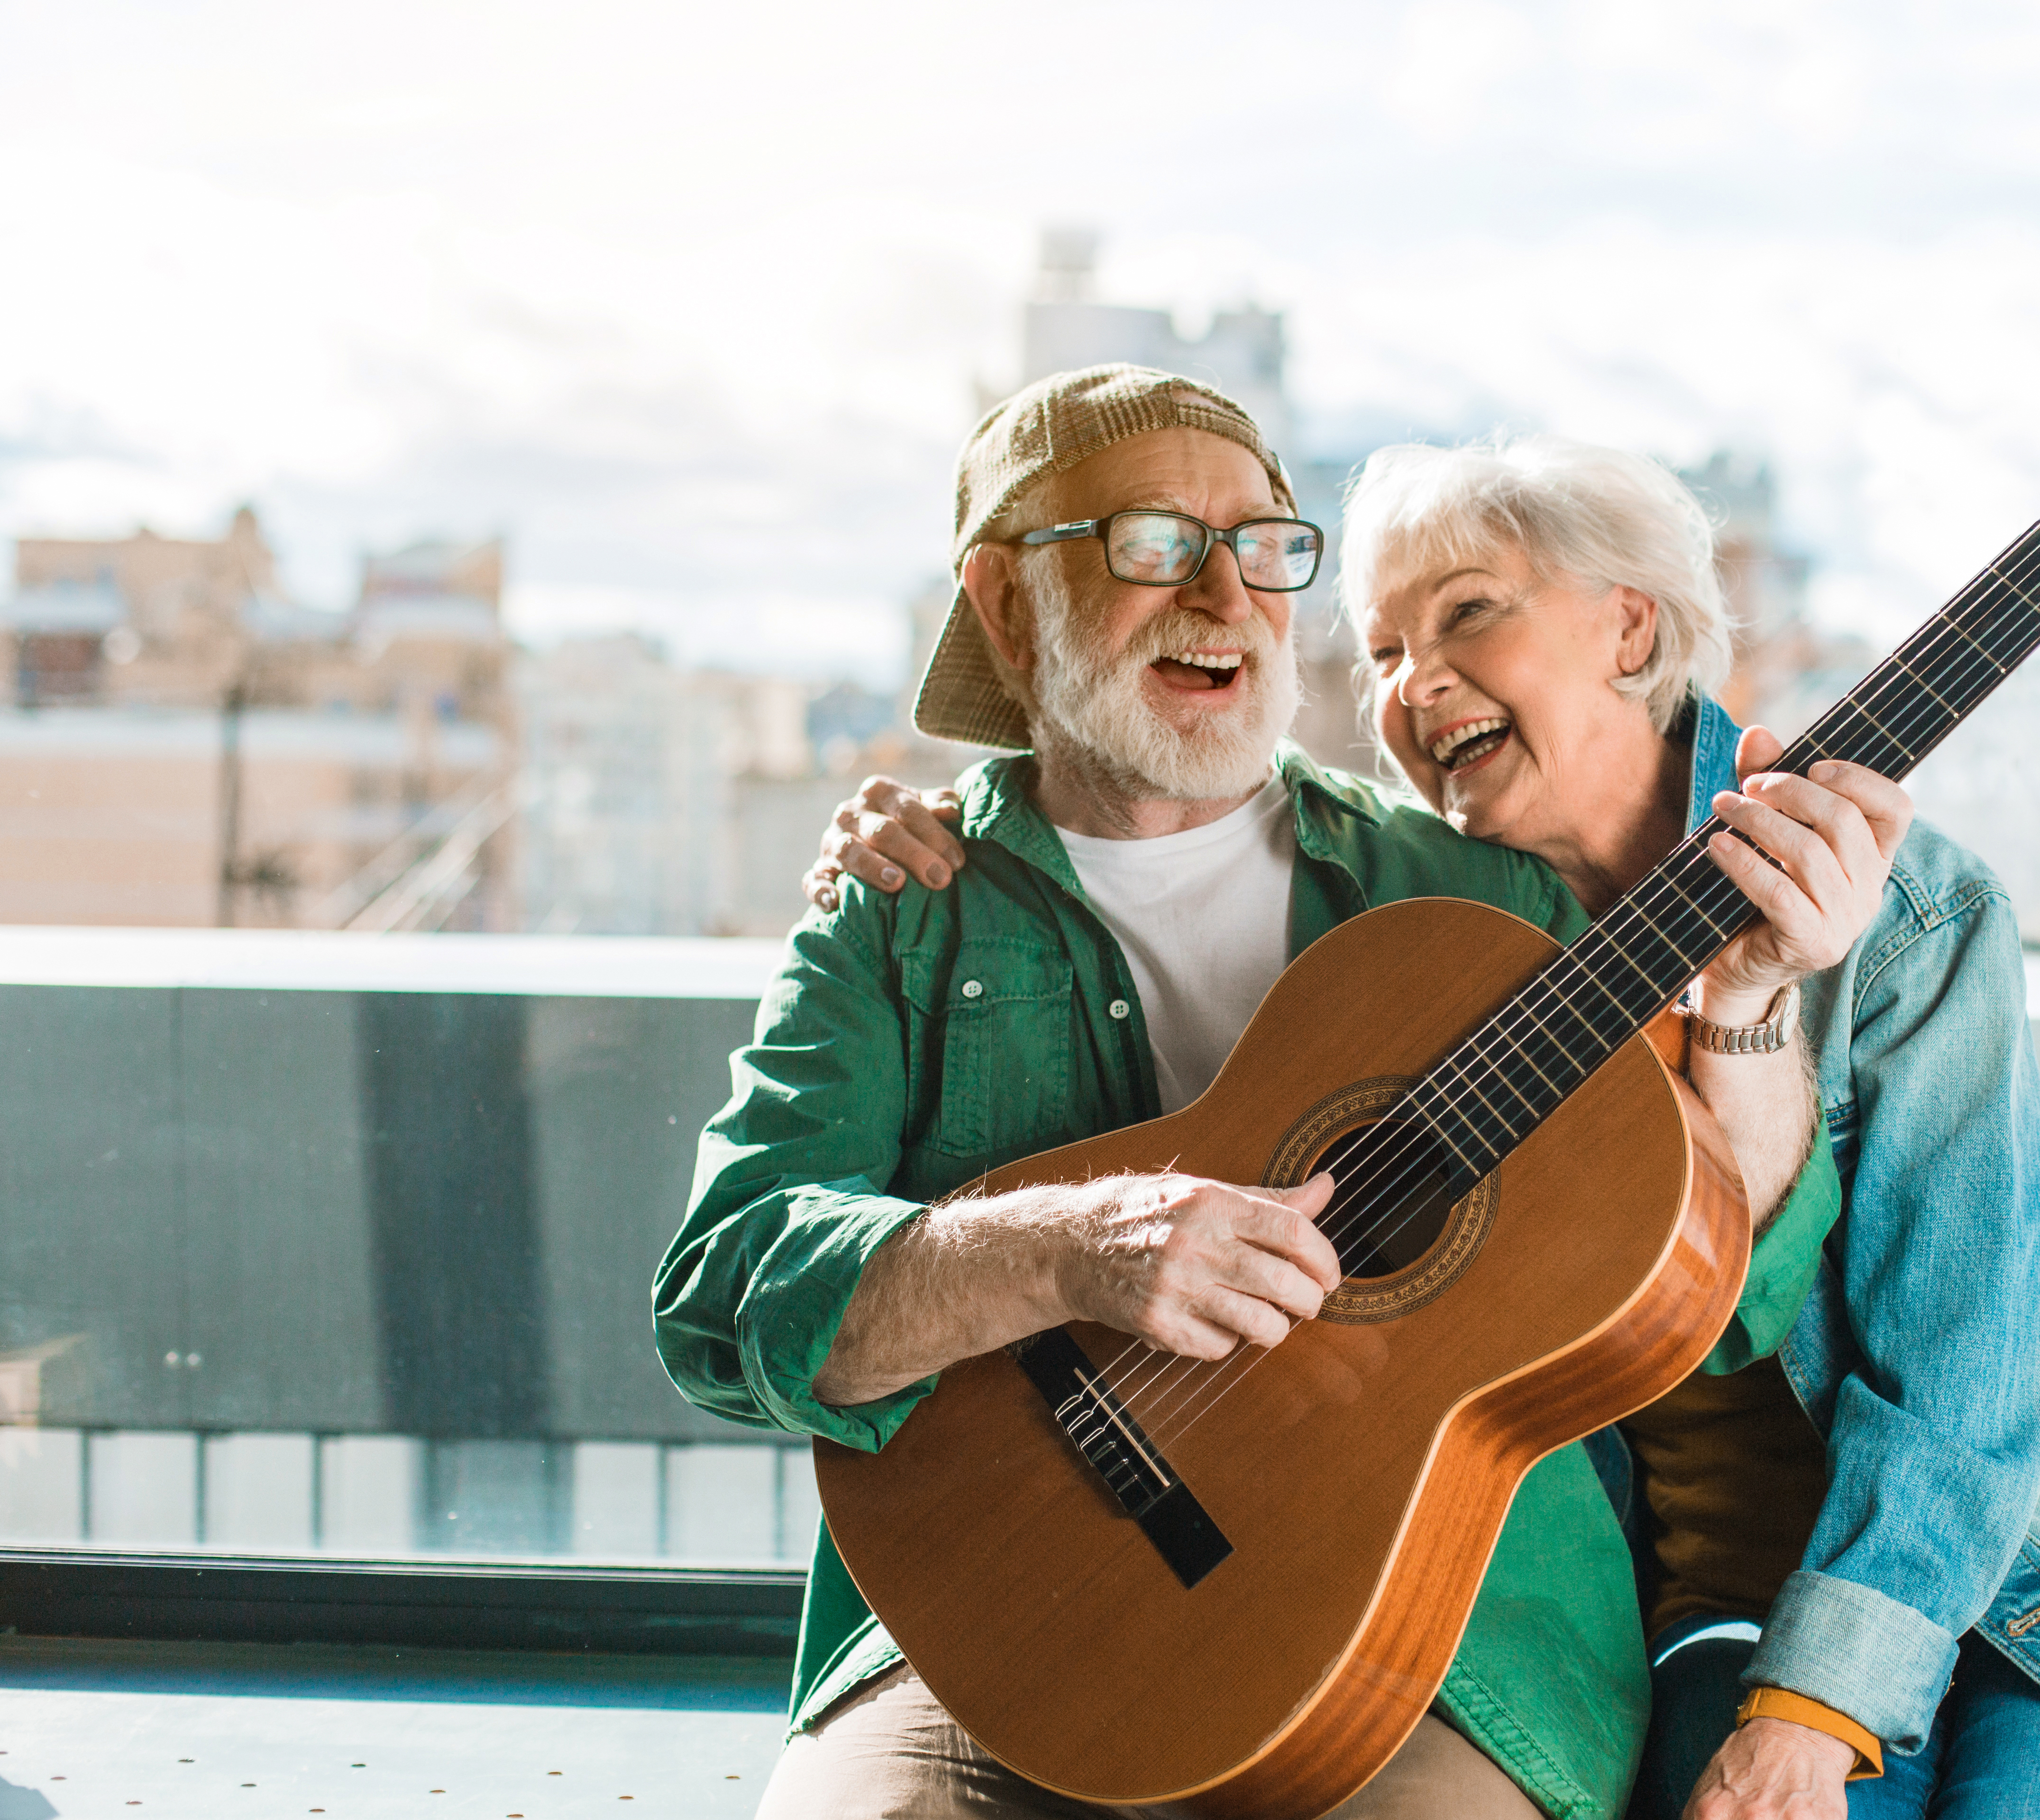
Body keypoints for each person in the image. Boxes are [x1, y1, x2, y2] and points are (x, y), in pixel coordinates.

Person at [813, 436, 2040, 1820]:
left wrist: (1813, 1705)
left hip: (2032, 1587)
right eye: (1384, 652)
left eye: (1466, 618)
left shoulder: (1899, 913)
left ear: (1632, 634)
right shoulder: (1413, 927)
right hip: (1697, 1611)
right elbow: (1144, 802)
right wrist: (910, 824)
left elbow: (1970, 1377)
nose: (1412, 684)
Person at [658, 367, 1906, 1820]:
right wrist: (1067, 1250)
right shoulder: (899, 907)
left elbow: (1728, 1276)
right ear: (1006, 604)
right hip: (983, 1618)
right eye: (1151, 543)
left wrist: (1746, 1002)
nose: (1225, 592)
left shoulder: (1467, 893)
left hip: (1437, 1640)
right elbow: (723, 1294)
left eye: (1263, 544)